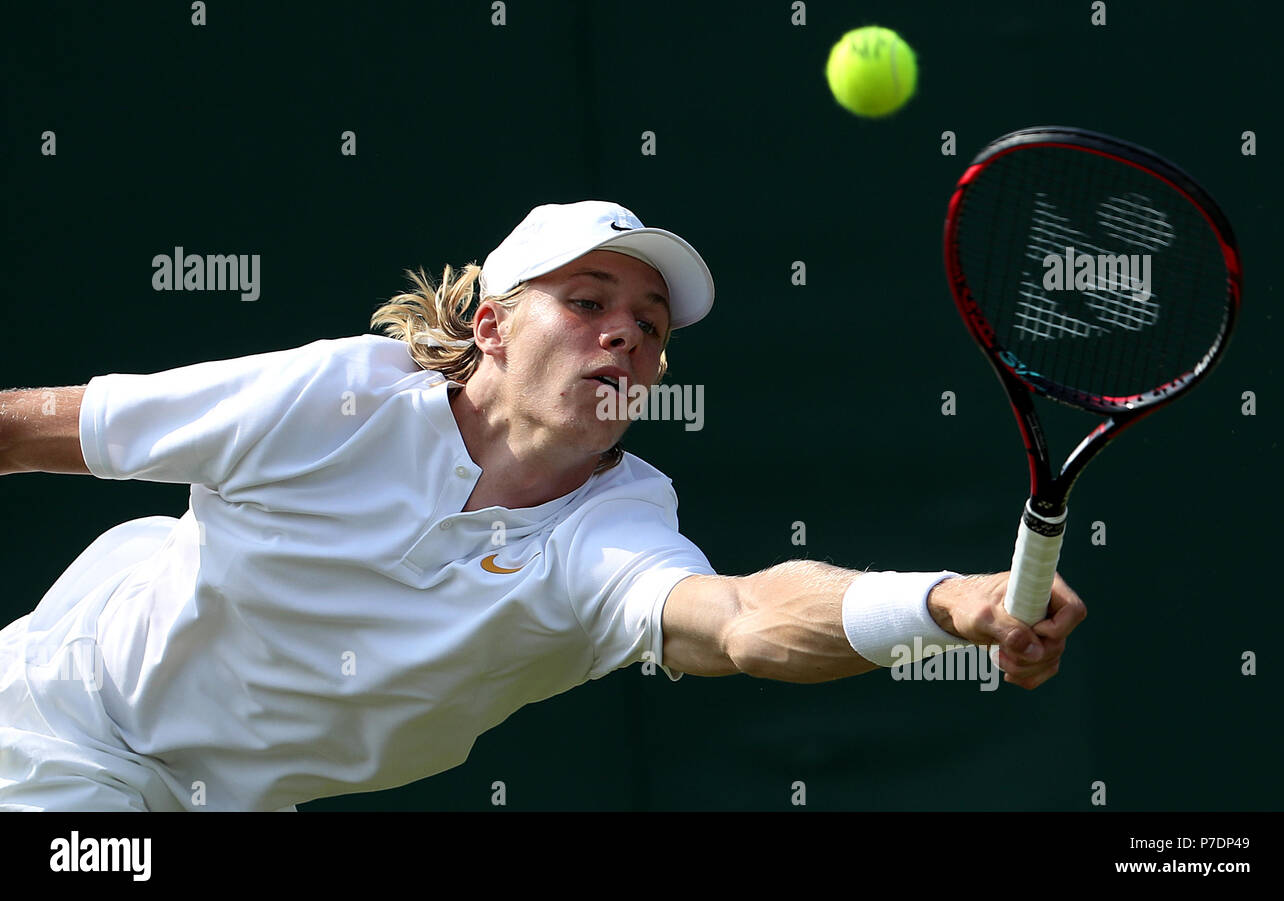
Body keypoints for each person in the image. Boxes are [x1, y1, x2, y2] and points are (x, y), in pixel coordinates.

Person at [0, 200, 1085, 811]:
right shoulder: (329, 398)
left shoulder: (613, 526)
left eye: (651, 323)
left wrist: (940, 602)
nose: (626, 334)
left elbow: (747, 620)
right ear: (490, 328)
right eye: (587, 301)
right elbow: (22, 427)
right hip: (59, 727)